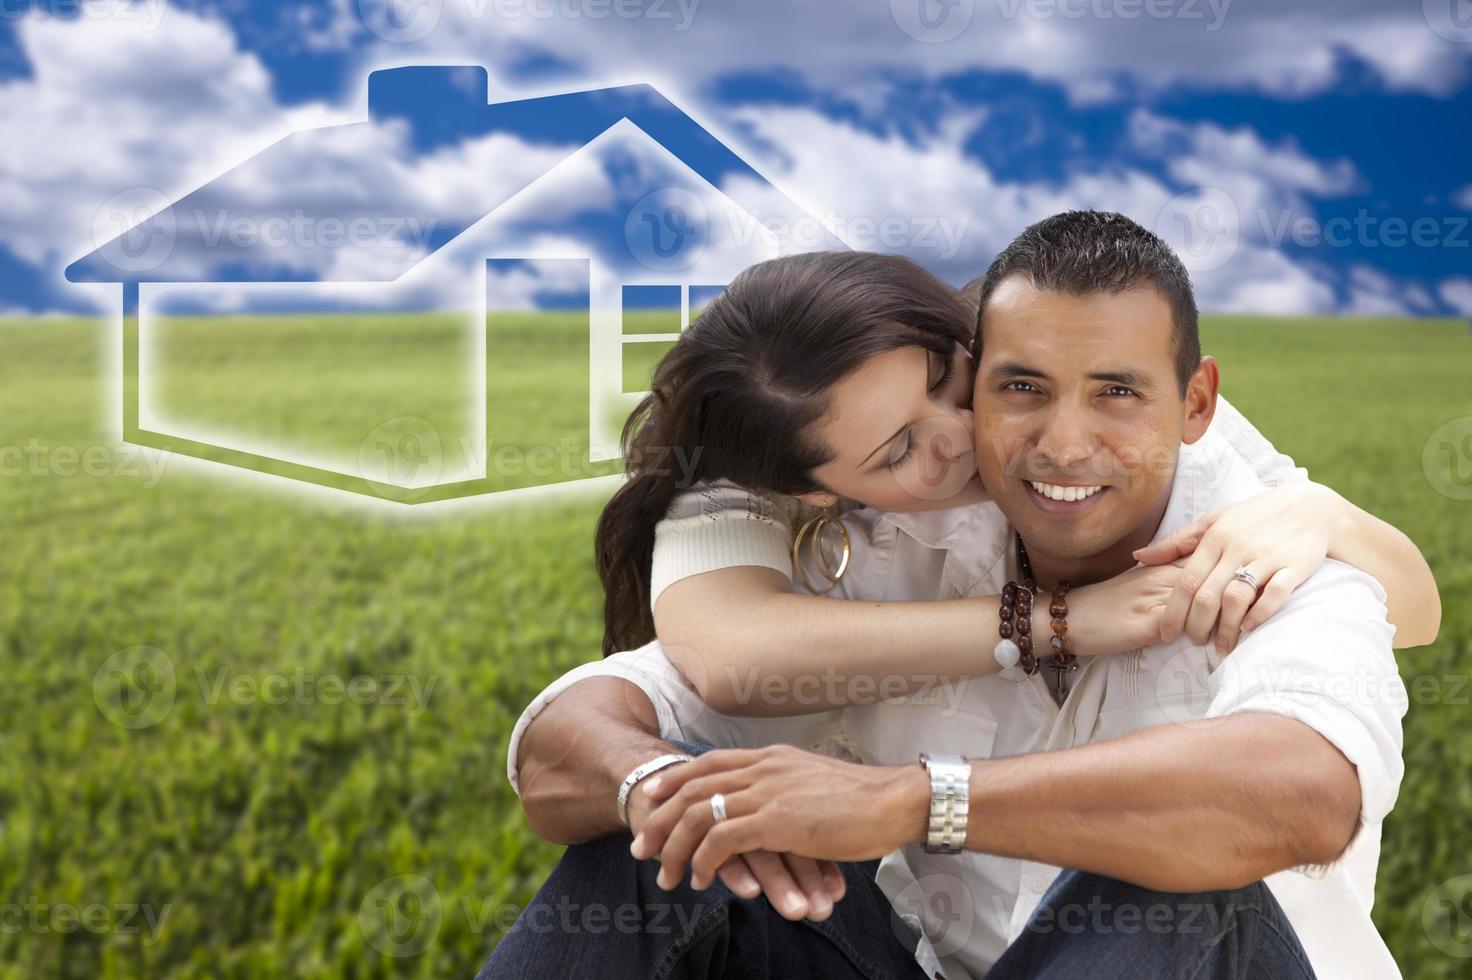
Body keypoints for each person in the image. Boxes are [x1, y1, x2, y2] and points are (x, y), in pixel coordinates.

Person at [483, 214, 1433, 978]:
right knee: (663, 852)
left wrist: (914, 802)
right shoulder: (882, 540)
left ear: (1193, 404)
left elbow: (1302, 791)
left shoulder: (1262, 537)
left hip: (1217, 961)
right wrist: (659, 788)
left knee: (1185, 877)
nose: (1062, 444)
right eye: (1018, 388)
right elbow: (594, 723)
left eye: (1116, 395)